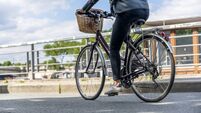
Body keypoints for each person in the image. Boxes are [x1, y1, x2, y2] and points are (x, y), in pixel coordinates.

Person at [81, 0, 149, 95]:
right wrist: (112, 12)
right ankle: (135, 59)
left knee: (114, 48)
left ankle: (117, 83)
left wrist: (84, 9)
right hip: (144, 10)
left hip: (127, 10)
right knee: (124, 35)